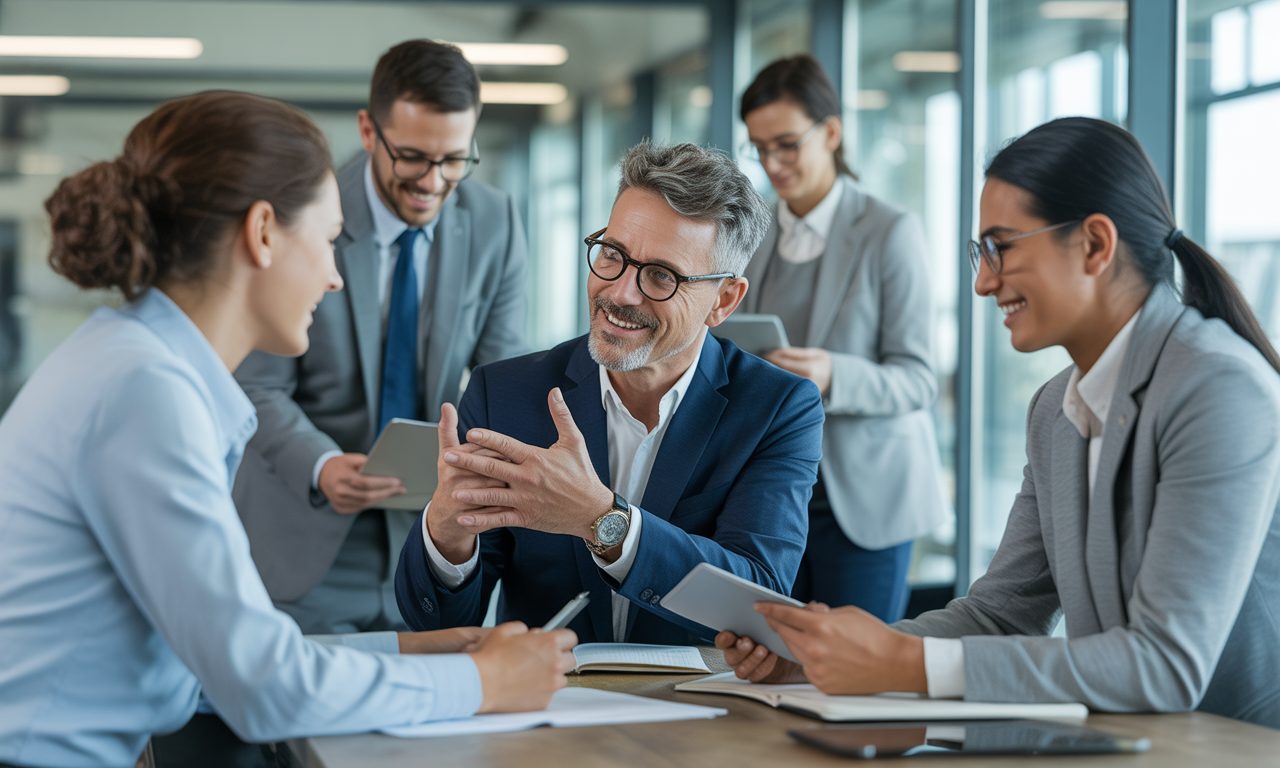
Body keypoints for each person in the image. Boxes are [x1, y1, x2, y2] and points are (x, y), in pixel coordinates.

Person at [0, 90, 574, 768]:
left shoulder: (135, 364)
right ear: (263, 231)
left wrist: (407, 650)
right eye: (329, 240)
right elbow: (263, 689)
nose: (335, 278)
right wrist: (484, 682)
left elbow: (224, 661)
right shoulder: (146, 395)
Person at [716, 117, 1280, 729]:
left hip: (1236, 743)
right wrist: (818, 659)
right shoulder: (1055, 408)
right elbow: (1000, 614)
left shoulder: (1217, 385)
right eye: (978, 253)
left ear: (1094, 244)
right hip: (1134, 742)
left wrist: (907, 665)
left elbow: (1166, 666)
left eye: (1001, 247)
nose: (984, 282)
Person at [395, 142, 825, 645]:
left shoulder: (777, 407)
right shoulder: (504, 393)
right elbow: (440, 628)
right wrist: (446, 536)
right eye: (613, 256)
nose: (620, 292)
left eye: (662, 276)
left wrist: (603, 520)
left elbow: (759, 596)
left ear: (723, 300)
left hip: (697, 712)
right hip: (548, 704)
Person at [232, 39, 529, 634]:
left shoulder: (494, 219)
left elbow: (507, 377)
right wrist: (321, 467)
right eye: (414, 157)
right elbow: (256, 385)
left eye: (453, 160)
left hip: (428, 537)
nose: (433, 182)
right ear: (369, 131)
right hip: (307, 532)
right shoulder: (304, 211)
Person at [738, 55, 947, 620]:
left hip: (864, 498)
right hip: (777, 494)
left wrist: (833, 375)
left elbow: (919, 379)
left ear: (831, 132)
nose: (772, 163)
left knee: (857, 677)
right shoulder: (752, 236)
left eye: (786, 144)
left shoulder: (888, 231)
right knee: (771, 662)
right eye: (759, 148)